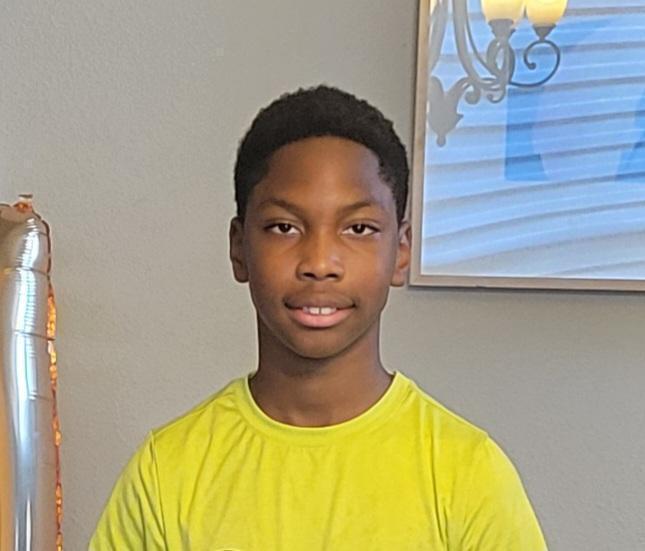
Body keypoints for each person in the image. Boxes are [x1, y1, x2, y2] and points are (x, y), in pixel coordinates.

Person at [89, 85, 547, 550]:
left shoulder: (468, 473)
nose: (320, 262)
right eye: (284, 227)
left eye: (359, 228)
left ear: (401, 250)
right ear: (239, 248)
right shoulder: (165, 473)